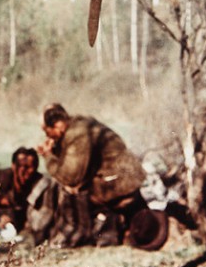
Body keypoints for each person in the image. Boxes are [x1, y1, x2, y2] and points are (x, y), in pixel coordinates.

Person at [38, 103, 162, 248]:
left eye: (47, 131)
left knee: (66, 190)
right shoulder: (81, 126)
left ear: (58, 125)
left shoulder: (77, 133)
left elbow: (71, 176)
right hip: (127, 180)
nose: (47, 136)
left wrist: (48, 156)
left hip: (117, 185)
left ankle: (74, 234)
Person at [0, 147, 44, 240]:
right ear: (14, 166)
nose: (27, 172)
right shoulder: (1, 177)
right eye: (23, 166)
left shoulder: (40, 182)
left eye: (32, 167)